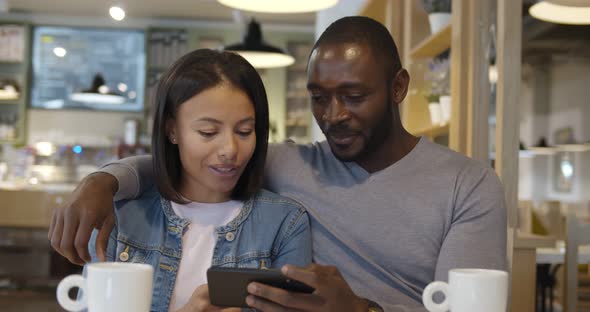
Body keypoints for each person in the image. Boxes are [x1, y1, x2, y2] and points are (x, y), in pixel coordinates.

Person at [49, 16, 507, 312]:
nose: (333, 115)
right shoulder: (287, 163)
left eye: (353, 96)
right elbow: (185, 162)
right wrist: (103, 181)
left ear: (399, 87)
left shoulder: (468, 185)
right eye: (319, 98)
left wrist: (361, 311)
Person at [80, 49, 312, 311]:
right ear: (172, 130)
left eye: (244, 131)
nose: (230, 150)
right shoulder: (121, 220)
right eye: (208, 132)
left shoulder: (285, 224)